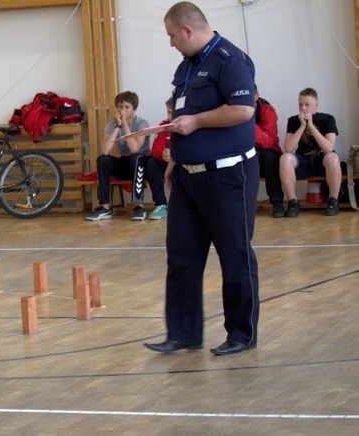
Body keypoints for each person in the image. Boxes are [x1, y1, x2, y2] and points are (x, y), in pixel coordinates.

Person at [144, 2, 259, 356]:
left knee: (234, 254)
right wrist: (175, 157)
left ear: (188, 30)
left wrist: (196, 123)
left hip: (228, 176)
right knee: (182, 255)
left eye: (171, 36)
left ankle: (241, 333)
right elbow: (183, 115)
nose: (171, 43)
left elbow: (242, 110)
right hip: (186, 177)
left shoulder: (231, 60)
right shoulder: (187, 67)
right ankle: (184, 333)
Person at [85, 91, 150, 221]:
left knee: (136, 158)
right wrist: (117, 126)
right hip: (124, 163)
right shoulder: (112, 125)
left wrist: (124, 124)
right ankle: (104, 207)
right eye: (120, 107)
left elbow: (134, 149)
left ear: (134, 109)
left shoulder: (142, 123)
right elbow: (105, 150)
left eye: (127, 107)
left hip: (141, 165)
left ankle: (139, 206)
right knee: (103, 160)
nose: (122, 110)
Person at [279, 87, 341, 217]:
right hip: (303, 160)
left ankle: (333, 201)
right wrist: (302, 126)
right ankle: (293, 202)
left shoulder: (327, 119)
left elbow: (329, 148)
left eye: (307, 104)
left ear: (316, 105)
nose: (303, 108)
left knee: (333, 157)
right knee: (285, 158)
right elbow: (288, 148)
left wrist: (311, 126)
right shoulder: (293, 121)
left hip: (321, 160)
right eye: (300, 104)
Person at [254, 87, 285, 217]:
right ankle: (245, 202)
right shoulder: (233, 109)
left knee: (269, 155)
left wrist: (249, 123)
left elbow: (267, 141)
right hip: (250, 153)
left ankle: (277, 201)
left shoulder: (268, 110)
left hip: (269, 156)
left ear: (256, 96)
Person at [146, 97, 174, 220]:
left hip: (183, 163)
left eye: (173, 111)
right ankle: (161, 204)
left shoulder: (191, 125)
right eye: (168, 111)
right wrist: (163, 154)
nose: (171, 114)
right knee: (152, 163)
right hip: (166, 163)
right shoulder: (164, 126)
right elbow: (155, 149)